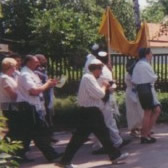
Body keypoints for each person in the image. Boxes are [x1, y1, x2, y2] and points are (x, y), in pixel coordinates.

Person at [56, 59, 128, 168]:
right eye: (100, 69)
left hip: (90, 111)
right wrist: (104, 86)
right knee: (91, 136)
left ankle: (114, 155)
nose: (101, 72)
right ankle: (65, 161)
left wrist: (107, 85)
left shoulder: (90, 78)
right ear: (96, 68)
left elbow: (100, 91)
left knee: (98, 135)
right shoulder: (88, 78)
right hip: (90, 111)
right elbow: (99, 94)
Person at [16, 55, 62, 162]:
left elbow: (39, 88)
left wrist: (49, 85)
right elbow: (34, 91)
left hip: (35, 106)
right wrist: (47, 84)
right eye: (35, 62)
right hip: (29, 107)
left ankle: (18, 156)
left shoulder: (32, 73)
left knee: (28, 134)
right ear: (28, 62)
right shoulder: (25, 75)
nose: (38, 64)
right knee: (39, 132)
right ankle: (51, 154)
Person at [91, 51, 126, 154]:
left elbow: (111, 86)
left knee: (106, 122)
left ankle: (109, 143)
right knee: (108, 122)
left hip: (103, 99)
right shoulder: (105, 70)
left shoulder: (104, 71)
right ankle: (115, 141)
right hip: (100, 99)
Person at [0, 58, 31, 162]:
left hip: (13, 106)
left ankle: (15, 153)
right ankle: (11, 153)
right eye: (14, 66)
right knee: (16, 131)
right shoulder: (4, 78)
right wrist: (23, 92)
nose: (16, 68)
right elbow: (12, 95)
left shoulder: (9, 77)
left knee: (16, 131)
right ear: (10, 66)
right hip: (10, 107)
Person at [132, 48, 161, 143]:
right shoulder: (145, 65)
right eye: (151, 53)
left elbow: (134, 80)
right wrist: (156, 76)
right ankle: (144, 135)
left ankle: (146, 133)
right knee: (148, 112)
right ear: (147, 54)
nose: (152, 55)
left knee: (155, 110)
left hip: (142, 89)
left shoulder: (138, 64)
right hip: (147, 89)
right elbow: (152, 77)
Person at [125, 58, 144, 137]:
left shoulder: (137, 73)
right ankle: (133, 129)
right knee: (132, 112)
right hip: (131, 94)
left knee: (139, 111)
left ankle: (141, 128)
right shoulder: (128, 75)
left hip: (137, 93)